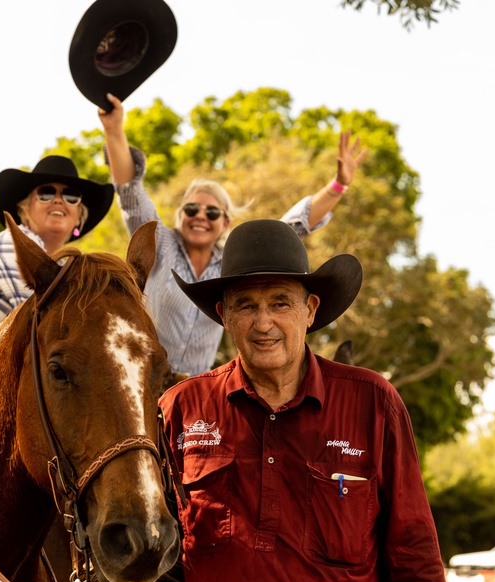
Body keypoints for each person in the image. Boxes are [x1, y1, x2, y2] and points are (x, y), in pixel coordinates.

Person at [157, 219, 461, 582]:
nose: (263, 323)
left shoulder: (371, 403)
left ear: (310, 309)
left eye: (280, 303)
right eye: (246, 306)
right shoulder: (180, 409)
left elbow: (412, 550)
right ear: (223, 315)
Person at [99, 92, 367, 377]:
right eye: (192, 209)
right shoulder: (160, 245)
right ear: (181, 216)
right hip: (143, 380)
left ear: (225, 223)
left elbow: (291, 227)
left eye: (212, 212)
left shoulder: (230, 264)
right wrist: (114, 129)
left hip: (195, 385)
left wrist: (338, 185)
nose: (201, 216)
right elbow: (131, 193)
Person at [0, 155, 114, 369]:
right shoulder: (13, 243)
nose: (59, 200)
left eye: (71, 196)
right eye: (46, 193)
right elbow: (54, 325)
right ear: (25, 209)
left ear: (78, 217)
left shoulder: (60, 272)